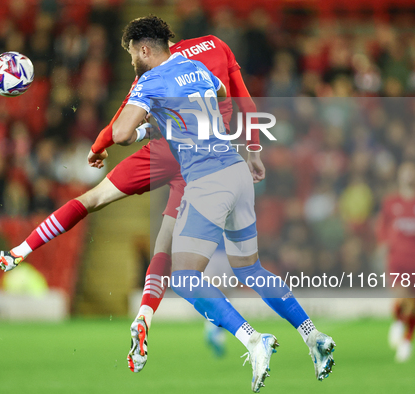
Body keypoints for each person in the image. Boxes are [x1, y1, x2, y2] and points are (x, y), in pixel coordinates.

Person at [117, 16, 336, 391]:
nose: (132, 64)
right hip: (236, 170)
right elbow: (223, 99)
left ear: (144, 49)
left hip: (206, 182)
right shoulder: (198, 69)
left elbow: (120, 134)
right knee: (250, 269)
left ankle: (254, 339)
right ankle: (313, 335)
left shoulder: (149, 81)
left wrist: (138, 123)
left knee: (184, 278)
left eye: (132, 56)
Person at [376, 162, 415, 362]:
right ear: (400, 177)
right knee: (401, 293)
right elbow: (382, 226)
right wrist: (383, 242)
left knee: (414, 304)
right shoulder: (391, 202)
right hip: (397, 257)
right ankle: (398, 323)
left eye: (413, 172)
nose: (409, 176)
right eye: (406, 173)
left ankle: (407, 341)